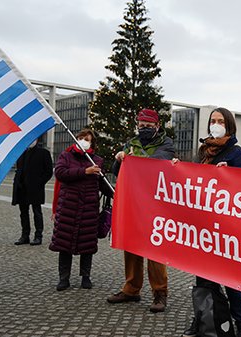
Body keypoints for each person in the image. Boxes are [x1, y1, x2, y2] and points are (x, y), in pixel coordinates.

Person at [180, 107, 241, 337]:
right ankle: (202, 317)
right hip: (205, 227)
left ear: (229, 126)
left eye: (220, 121)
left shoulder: (237, 154)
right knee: (203, 279)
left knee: (230, 279)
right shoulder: (205, 152)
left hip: (228, 228)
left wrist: (230, 174)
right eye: (213, 120)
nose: (216, 124)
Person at [106, 108, 175, 313]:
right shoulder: (130, 143)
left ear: (157, 126)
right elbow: (116, 171)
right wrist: (119, 158)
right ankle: (131, 288)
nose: (144, 128)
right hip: (133, 202)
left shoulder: (166, 143)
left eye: (148, 125)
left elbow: (160, 161)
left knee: (155, 248)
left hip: (156, 203)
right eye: (141, 125)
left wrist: (132, 158)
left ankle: (160, 292)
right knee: (132, 245)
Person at [50, 129, 112, 291]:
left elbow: (102, 185)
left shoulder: (97, 160)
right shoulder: (66, 155)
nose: (84, 140)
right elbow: (61, 173)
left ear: (92, 143)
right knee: (64, 244)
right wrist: (85, 171)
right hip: (68, 207)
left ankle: (86, 276)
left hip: (88, 208)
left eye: (87, 139)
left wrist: (115, 193)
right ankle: (64, 278)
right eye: (81, 138)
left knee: (87, 245)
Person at [12, 139, 53, 246]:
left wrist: (40, 182)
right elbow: (19, 169)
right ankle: (25, 236)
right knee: (23, 213)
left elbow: (49, 171)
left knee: (37, 212)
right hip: (22, 188)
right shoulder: (21, 152)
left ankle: (38, 236)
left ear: (37, 139)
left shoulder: (43, 153)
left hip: (35, 188)